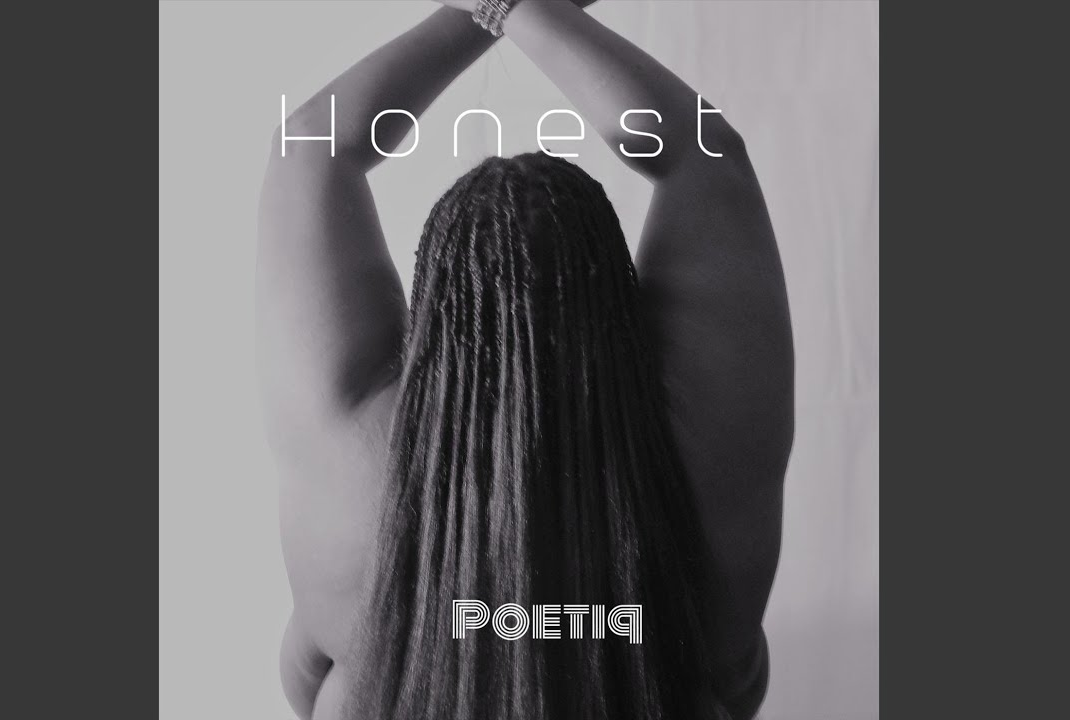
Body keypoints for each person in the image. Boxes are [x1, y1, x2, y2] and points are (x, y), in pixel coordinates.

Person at [256, 1, 793, 718]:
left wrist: (483, 8)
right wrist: (520, 9)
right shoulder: (709, 448)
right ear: (621, 300)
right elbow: (707, 154)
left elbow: (311, 144)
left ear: (433, 306)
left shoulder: (349, 453)